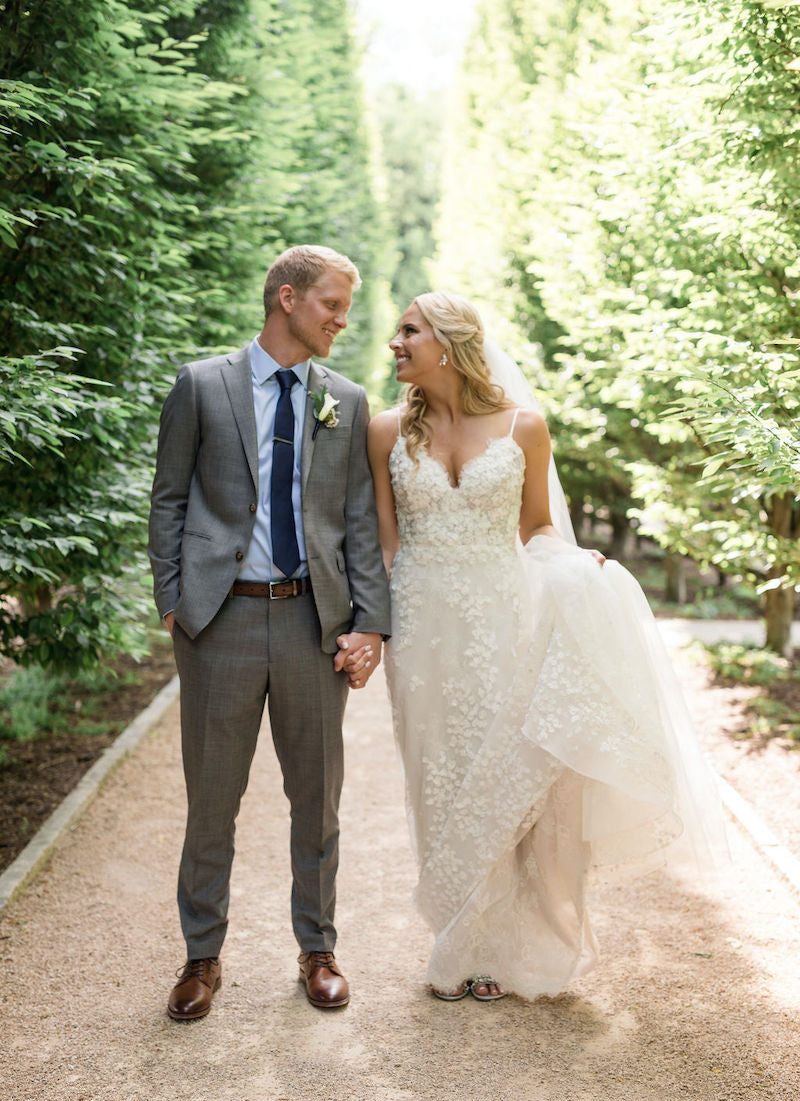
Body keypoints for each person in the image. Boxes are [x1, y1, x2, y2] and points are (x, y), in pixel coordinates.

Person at [366, 291, 727, 1003]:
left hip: (505, 620)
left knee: (512, 781)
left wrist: (574, 563)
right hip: (421, 627)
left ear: (449, 341)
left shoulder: (525, 427)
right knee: (438, 777)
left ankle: (506, 949)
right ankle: (460, 942)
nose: (395, 343)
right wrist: (372, 628)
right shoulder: (383, 432)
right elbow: (385, 544)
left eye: (409, 331)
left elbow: (537, 527)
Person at [148, 245, 390, 1020]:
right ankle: (200, 958)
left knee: (316, 798)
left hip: (311, 624)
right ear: (287, 298)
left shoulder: (343, 400)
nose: (342, 322)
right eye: (332, 306)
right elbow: (168, 500)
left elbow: (357, 522)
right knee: (211, 798)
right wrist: (173, 600)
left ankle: (317, 950)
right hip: (217, 620)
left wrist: (371, 624)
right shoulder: (201, 385)